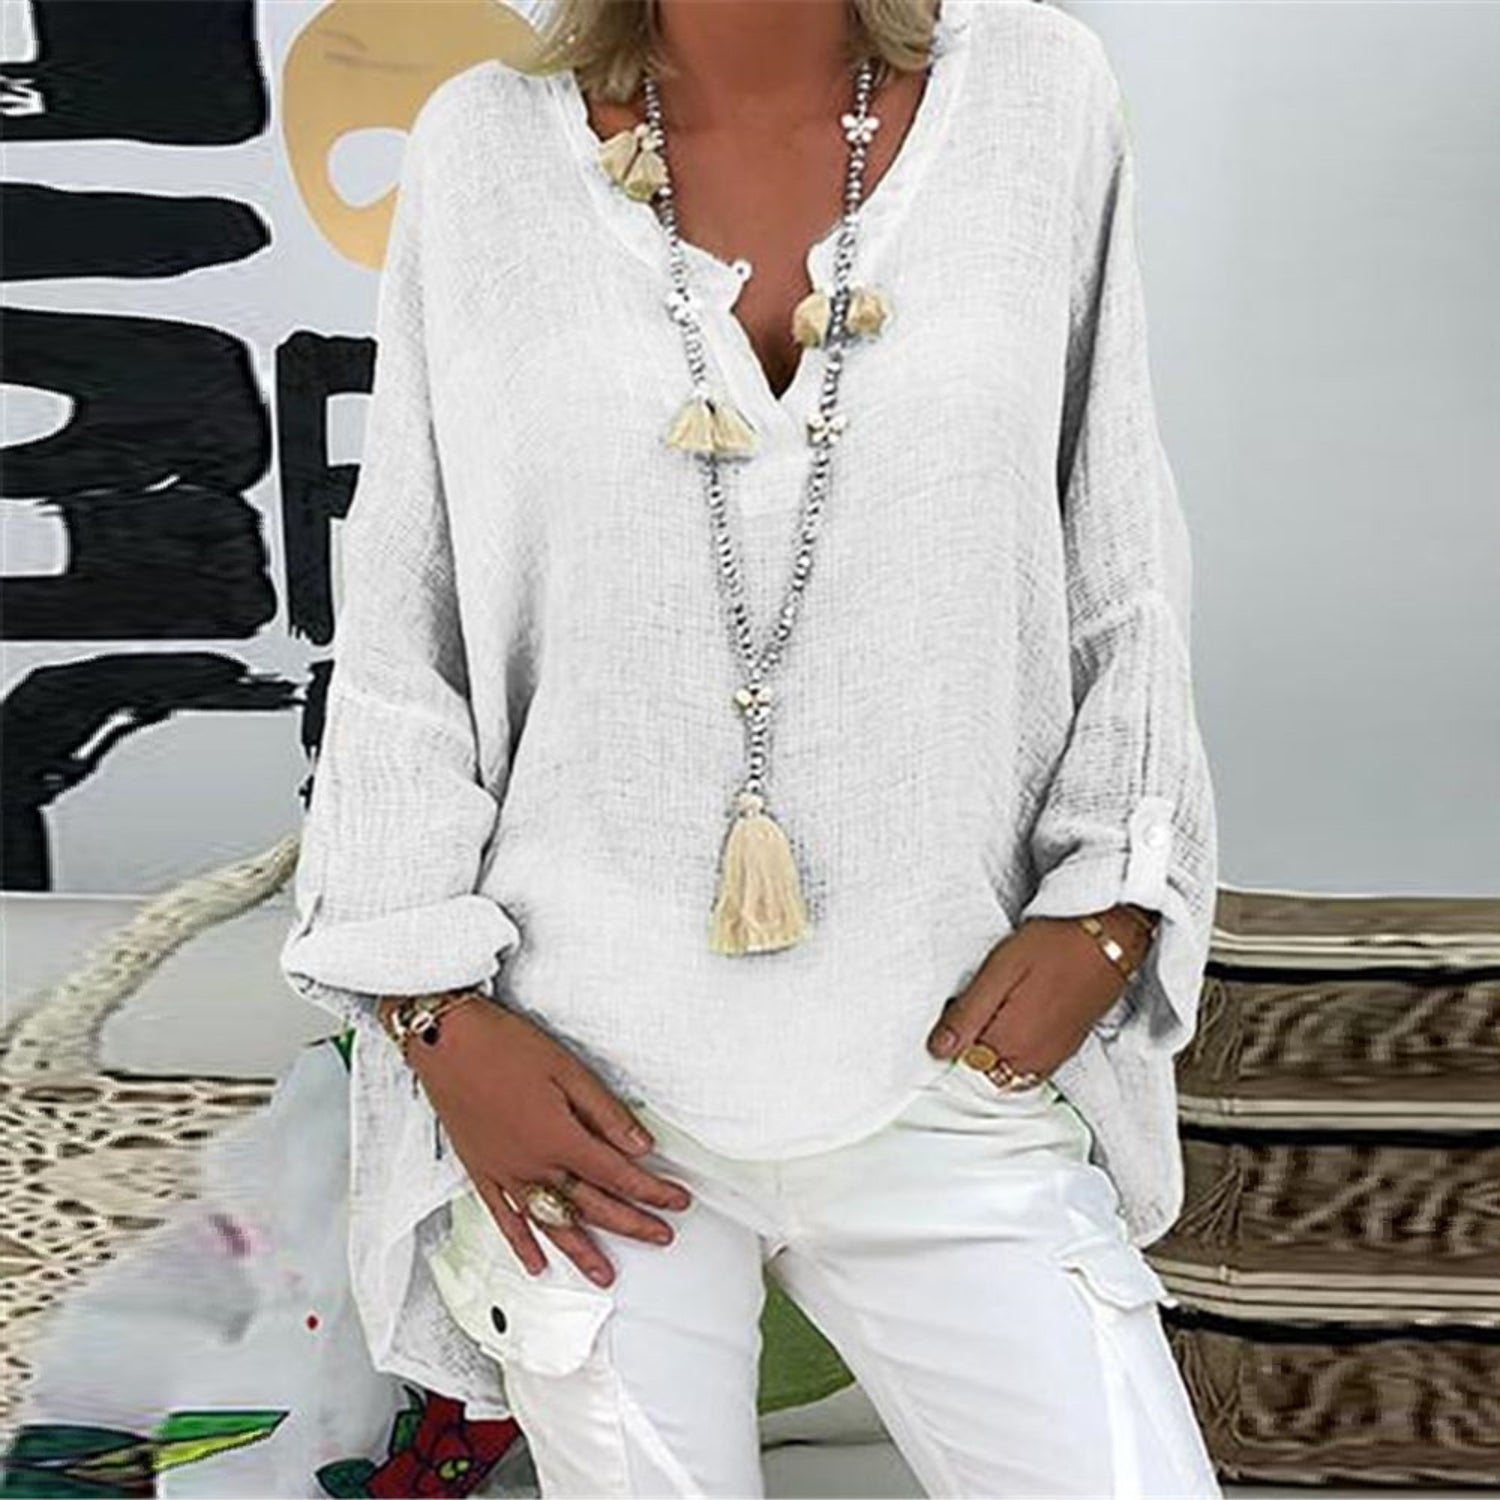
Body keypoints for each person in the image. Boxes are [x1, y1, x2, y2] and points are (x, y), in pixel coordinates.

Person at [280, 0, 1222, 1493]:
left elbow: (1119, 548)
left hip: (945, 1045)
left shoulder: (1038, 95)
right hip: (581, 1086)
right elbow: (407, 611)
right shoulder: (483, 150)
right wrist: (436, 1017)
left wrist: (1115, 900)